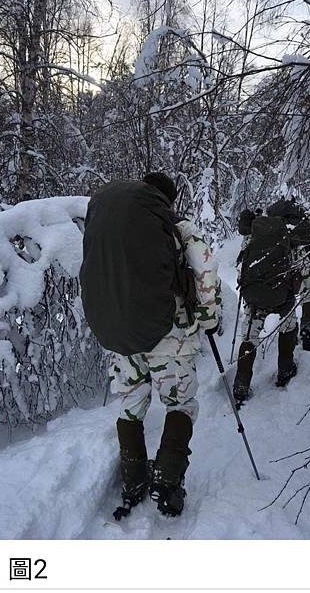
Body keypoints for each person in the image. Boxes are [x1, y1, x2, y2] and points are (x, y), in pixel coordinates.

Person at [81, 173, 221, 517]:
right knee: (181, 403)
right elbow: (206, 271)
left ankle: (133, 481)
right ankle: (167, 482)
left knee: (131, 405)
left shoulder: (115, 227)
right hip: (168, 333)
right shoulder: (178, 228)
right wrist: (209, 318)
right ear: (168, 200)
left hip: (122, 331)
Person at [233, 209, 300, 404]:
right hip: (281, 297)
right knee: (288, 326)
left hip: (253, 297)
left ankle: (241, 384)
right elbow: (298, 269)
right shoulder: (287, 237)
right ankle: (285, 370)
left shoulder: (254, 234)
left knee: (250, 337)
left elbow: (241, 264)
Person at [267, 198, 310, 351]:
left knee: (288, 297)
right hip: (304, 261)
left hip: (281, 264)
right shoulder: (304, 221)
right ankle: (306, 326)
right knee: (308, 296)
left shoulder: (273, 219)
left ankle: (291, 331)